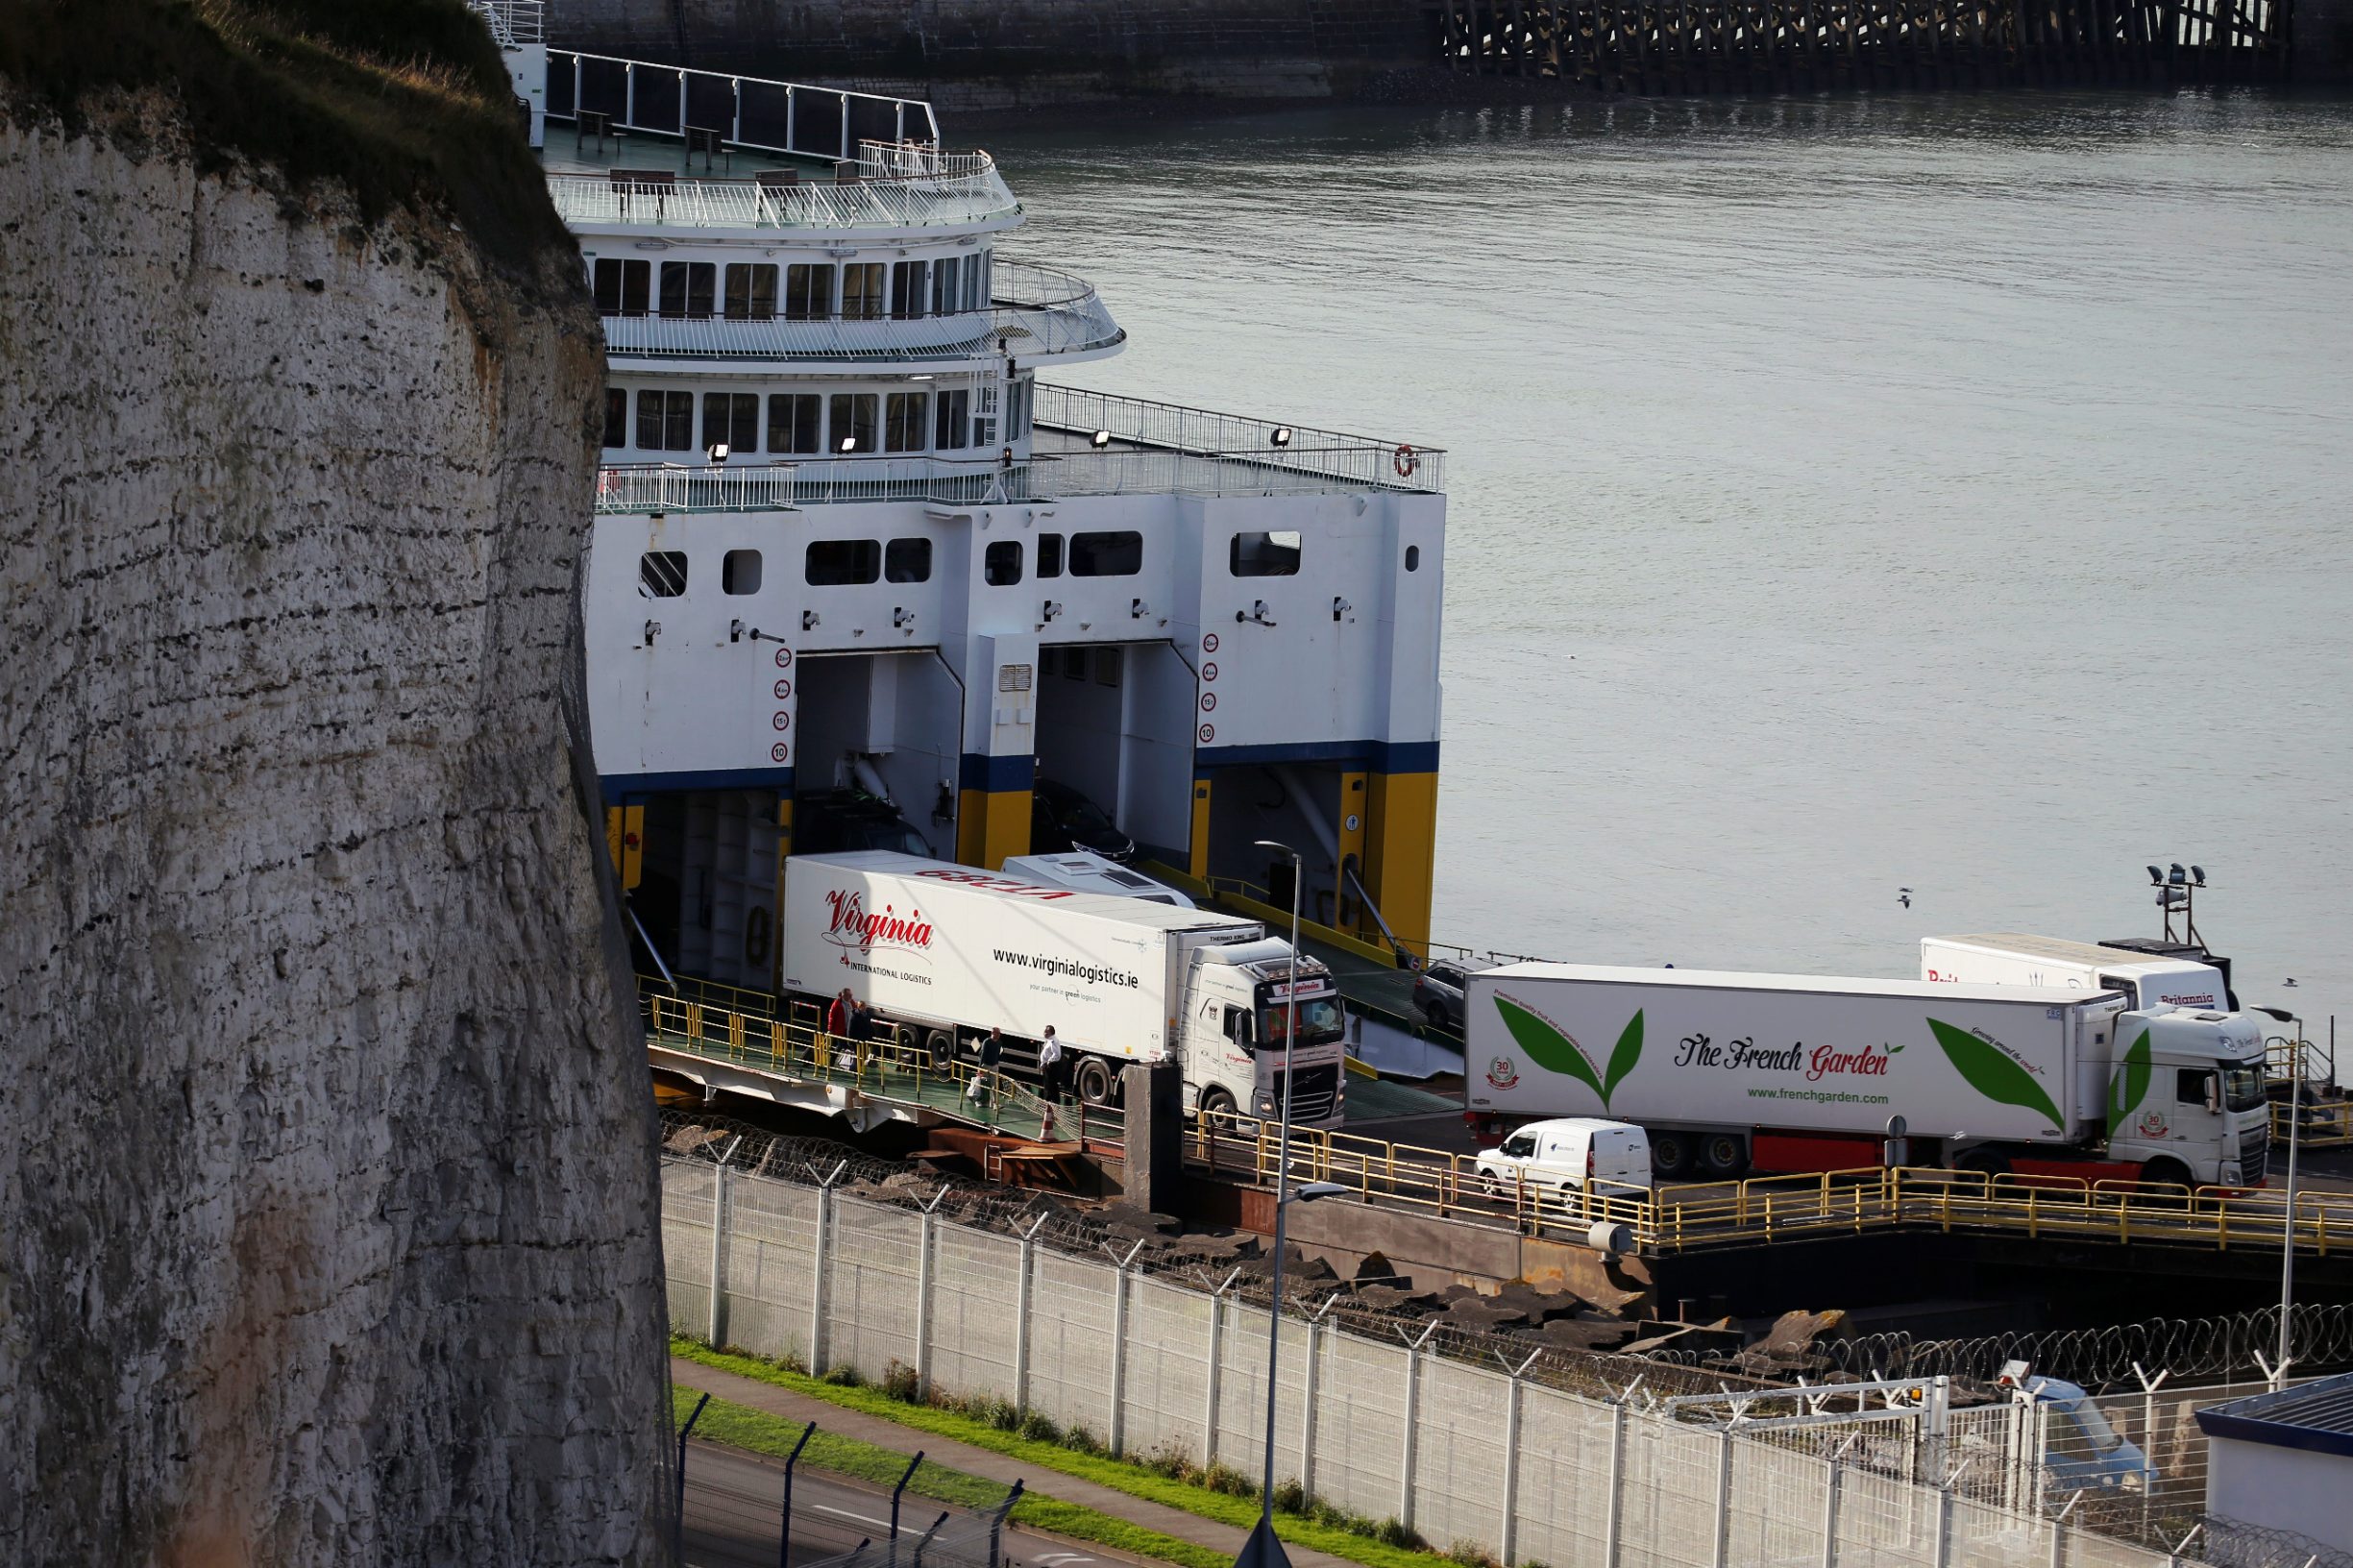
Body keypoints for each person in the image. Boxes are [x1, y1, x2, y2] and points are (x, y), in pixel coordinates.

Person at [968, 1027, 1005, 1105]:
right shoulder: (987, 1042)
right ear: (993, 1033)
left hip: (994, 1066)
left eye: (999, 1034)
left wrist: (997, 1064)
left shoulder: (999, 1042)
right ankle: (979, 1100)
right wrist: (979, 1068)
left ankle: (994, 1103)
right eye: (997, 1033)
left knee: (994, 1085)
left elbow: (998, 1054)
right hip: (985, 1065)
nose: (999, 1035)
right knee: (983, 1083)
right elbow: (983, 1055)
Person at [1037, 1025, 1065, 1103]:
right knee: (1048, 1086)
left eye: (1046, 1032)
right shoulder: (1049, 1040)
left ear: (1051, 1032)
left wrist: (1049, 1062)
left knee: (1051, 1086)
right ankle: (1048, 1103)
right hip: (1047, 1066)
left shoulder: (1053, 1041)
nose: (1044, 1033)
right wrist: (1042, 1063)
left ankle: (1051, 1104)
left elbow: (1057, 1054)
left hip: (1051, 1067)